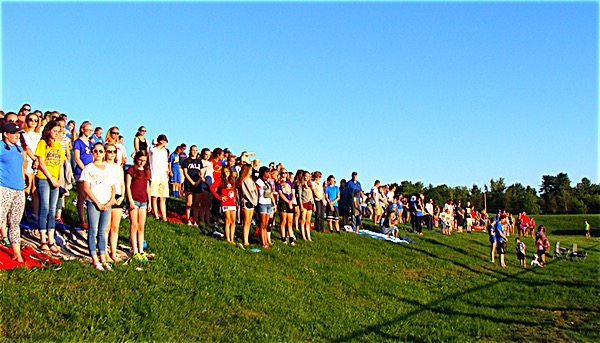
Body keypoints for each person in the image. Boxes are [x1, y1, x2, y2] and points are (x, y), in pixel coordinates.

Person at [81, 142, 116, 271]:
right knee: (93, 230)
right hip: (94, 202)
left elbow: (113, 187)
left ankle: (103, 256)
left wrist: (110, 201)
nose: (98, 154)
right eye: (96, 151)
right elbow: (86, 187)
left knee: (102, 232)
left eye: (101, 151)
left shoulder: (108, 168)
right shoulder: (89, 168)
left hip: (107, 203)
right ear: (92, 152)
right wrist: (96, 202)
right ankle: (94, 258)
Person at [35, 120, 66, 254]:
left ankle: (51, 239)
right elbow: (41, 163)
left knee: (53, 209)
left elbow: (60, 163)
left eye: (59, 132)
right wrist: (51, 178)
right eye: (55, 131)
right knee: (45, 207)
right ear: (48, 131)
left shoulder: (58, 145)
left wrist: (59, 178)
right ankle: (43, 239)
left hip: (55, 179)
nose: (57, 134)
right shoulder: (43, 143)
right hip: (44, 178)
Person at [0, 122, 27, 262]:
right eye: (14, 133)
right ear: (5, 134)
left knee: (15, 221)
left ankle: (17, 253)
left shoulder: (19, 149)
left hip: (18, 189)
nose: (17, 136)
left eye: (18, 134)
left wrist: (23, 182)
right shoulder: (0, 147)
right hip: (4, 187)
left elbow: (21, 167)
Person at [126, 150, 151, 262]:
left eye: (144, 161)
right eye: (140, 160)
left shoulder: (146, 171)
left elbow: (147, 188)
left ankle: (141, 250)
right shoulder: (132, 170)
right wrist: (130, 200)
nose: (142, 163)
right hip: (134, 200)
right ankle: (134, 249)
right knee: (134, 225)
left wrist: (149, 201)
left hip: (143, 201)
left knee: (141, 226)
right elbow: (128, 186)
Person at [105, 142, 126, 262]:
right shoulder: (103, 165)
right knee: (106, 227)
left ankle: (113, 252)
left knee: (115, 227)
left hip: (118, 196)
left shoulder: (118, 168)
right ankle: (105, 252)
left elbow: (121, 183)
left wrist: (122, 196)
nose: (112, 154)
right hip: (107, 196)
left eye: (114, 152)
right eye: (109, 151)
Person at [73, 121, 94, 228]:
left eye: (91, 130)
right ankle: (82, 220)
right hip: (81, 171)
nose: (89, 132)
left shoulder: (91, 144)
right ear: (82, 129)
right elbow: (77, 158)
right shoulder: (78, 142)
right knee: (81, 195)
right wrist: (85, 169)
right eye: (87, 130)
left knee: (88, 196)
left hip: (90, 172)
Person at [21, 112, 42, 221]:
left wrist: (38, 159)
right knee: (26, 189)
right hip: (29, 160)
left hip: (38, 162)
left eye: (35, 120)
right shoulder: (23, 134)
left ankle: (34, 213)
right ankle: (22, 212)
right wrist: (34, 158)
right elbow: (26, 148)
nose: (33, 122)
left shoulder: (39, 135)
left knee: (35, 190)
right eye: (31, 119)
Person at [210, 167, 237, 244]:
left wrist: (234, 198)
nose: (226, 173)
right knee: (227, 220)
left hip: (232, 202)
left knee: (233, 221)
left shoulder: (232, 180)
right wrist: (219, 197)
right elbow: (212, 187)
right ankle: (227, 239)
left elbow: (234, 190)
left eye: (227, 171)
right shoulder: (220, 180)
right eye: (224, 171)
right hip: (225, 203)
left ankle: (232, 239)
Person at [149, 134, 170, 221]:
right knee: (154, 196)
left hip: (163, 176)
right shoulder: (152, 148)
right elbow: (153, 152)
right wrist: (161, 144)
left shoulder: (164, 151)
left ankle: (164, 217)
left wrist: (167, 172)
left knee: (163, 197)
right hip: (154, 176)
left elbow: (165, 162)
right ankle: (156, 215)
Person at [237, 164, 258, 246]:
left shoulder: (251, 179)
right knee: (246, 222)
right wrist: (252, 200)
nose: (251, 171)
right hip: (246, 201)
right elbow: (246, 192)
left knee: (249, 222)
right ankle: (245, 240)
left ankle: (247, 238)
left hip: (252, 202)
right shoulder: (244, 180)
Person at [255, 167, 275, 249]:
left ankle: (266, 241)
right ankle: (263, 242)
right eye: (268, 172)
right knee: (262, 224)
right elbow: (255, 191)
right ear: (264, 173)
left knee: (266, 224)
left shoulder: (267, 182)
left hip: (268, 203)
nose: (269, 174)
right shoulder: (259, 182)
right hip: (262, 203)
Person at [182, 146, 202, 226]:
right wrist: (192, 182)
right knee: (189, 203)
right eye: (193, 150)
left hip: (198, 183)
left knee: (196, 203)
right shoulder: (186, 161)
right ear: (190, 151)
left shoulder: (199, 162)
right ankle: (188, 219)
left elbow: (201, 173)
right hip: (189, 183)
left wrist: (198, 181)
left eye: (196, 150)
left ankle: (195, 220)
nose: (194, 152)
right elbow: (185, 173)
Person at [276, 169, 296, 245]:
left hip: (290, 202)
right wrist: (288, 201)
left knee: (290, 222)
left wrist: (291, 201)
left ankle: (291, 238)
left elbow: (293, 193)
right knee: (283, 221)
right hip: (283, 202)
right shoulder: (278, 183)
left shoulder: (289, 182)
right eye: (282, 173)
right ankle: (283, 238)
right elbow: (280, 194)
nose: (284, 174)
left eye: (285, 173)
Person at [298, 170, 315, 242]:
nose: (307, 177)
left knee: (308, 221)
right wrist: (301, 205)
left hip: (310, 203)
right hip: (304, 203)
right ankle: (303, 236)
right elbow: (299, 196)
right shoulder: (300, 185)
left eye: (308, 176)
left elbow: (311, 196)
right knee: (303, 220)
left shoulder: (310, 185)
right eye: (306, 176)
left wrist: (314, 204)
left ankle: (308, 236)